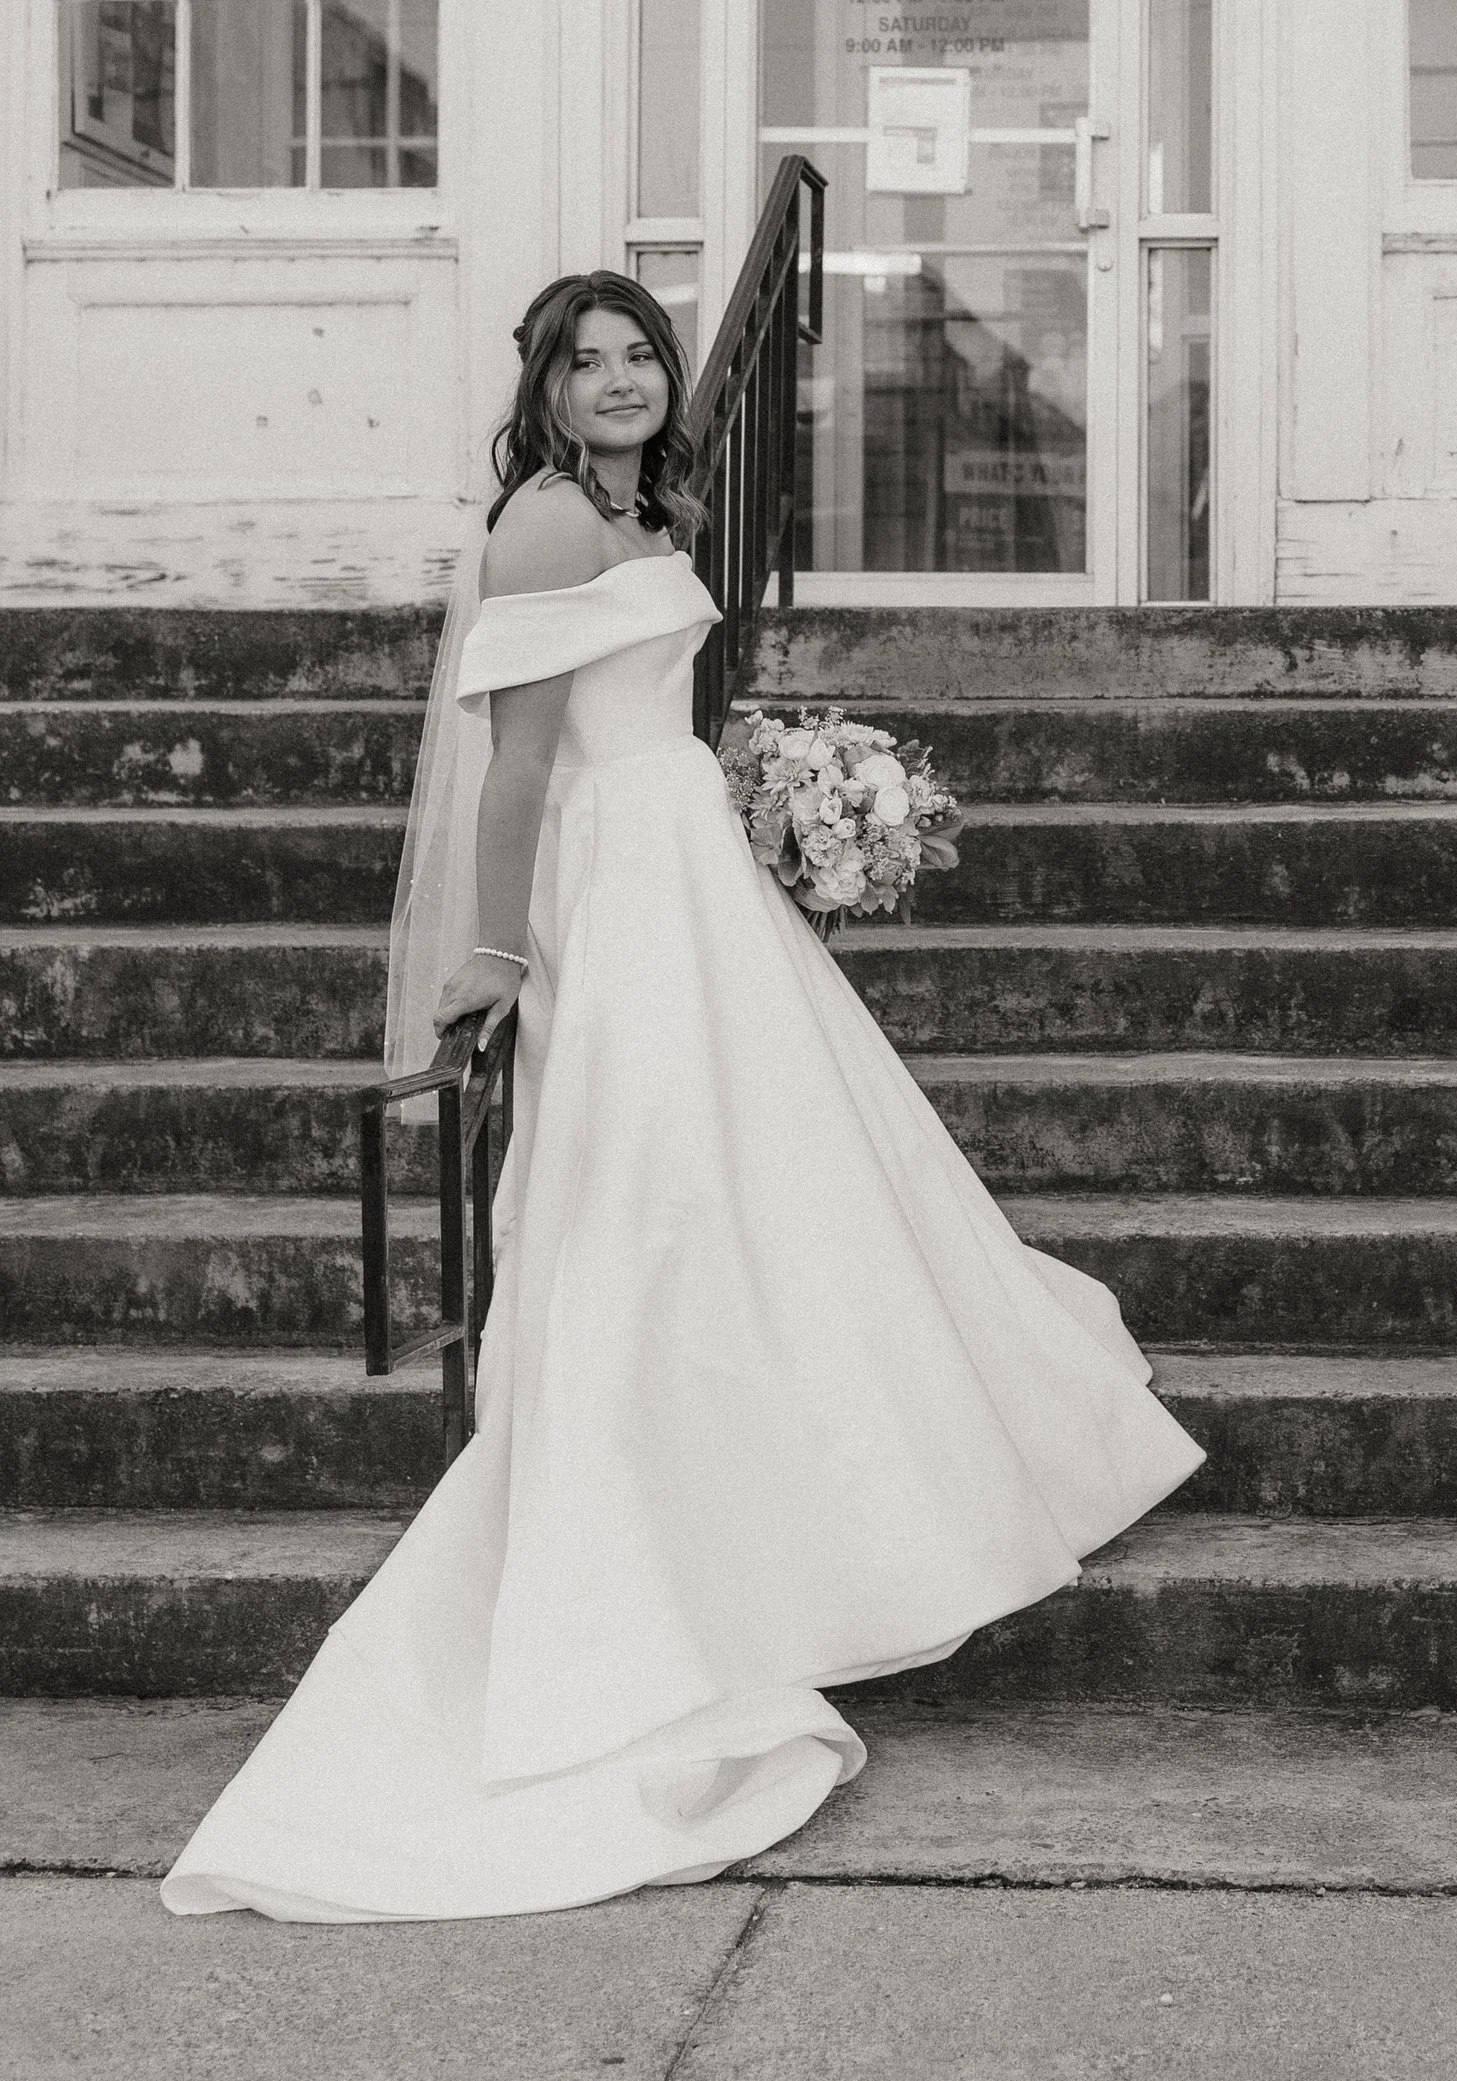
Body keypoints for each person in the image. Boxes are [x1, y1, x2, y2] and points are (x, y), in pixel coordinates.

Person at [164, 275, 1201, 1922]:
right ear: (545, 391)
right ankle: (658, 1569)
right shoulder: (545, 525)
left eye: (639, 351)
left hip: (692, 872)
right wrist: (497, 950)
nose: (622, 378)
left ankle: (792, 1503)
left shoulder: (650, 514)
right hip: (623, 898)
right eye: (585, 362)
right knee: (655, 1200)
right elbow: (520, 759)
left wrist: (769, 797)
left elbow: (637, 717)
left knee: (771, 1186)